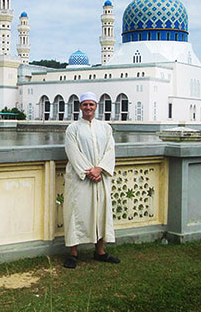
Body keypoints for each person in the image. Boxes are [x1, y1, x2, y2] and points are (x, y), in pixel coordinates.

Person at [62, 91, 120, 269]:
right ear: (80, 107)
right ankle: (73, 253)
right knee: (76, 212)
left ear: (96, 107)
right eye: (85, 104)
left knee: (101, 211)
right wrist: (89, 171)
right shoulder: (73, 128)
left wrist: (100, 169)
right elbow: (72, 152)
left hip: (100, 177)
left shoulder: (105, 128)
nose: (88, 108)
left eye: (91, 104)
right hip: (80, 178)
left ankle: (100, 251)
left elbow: (110, 150)